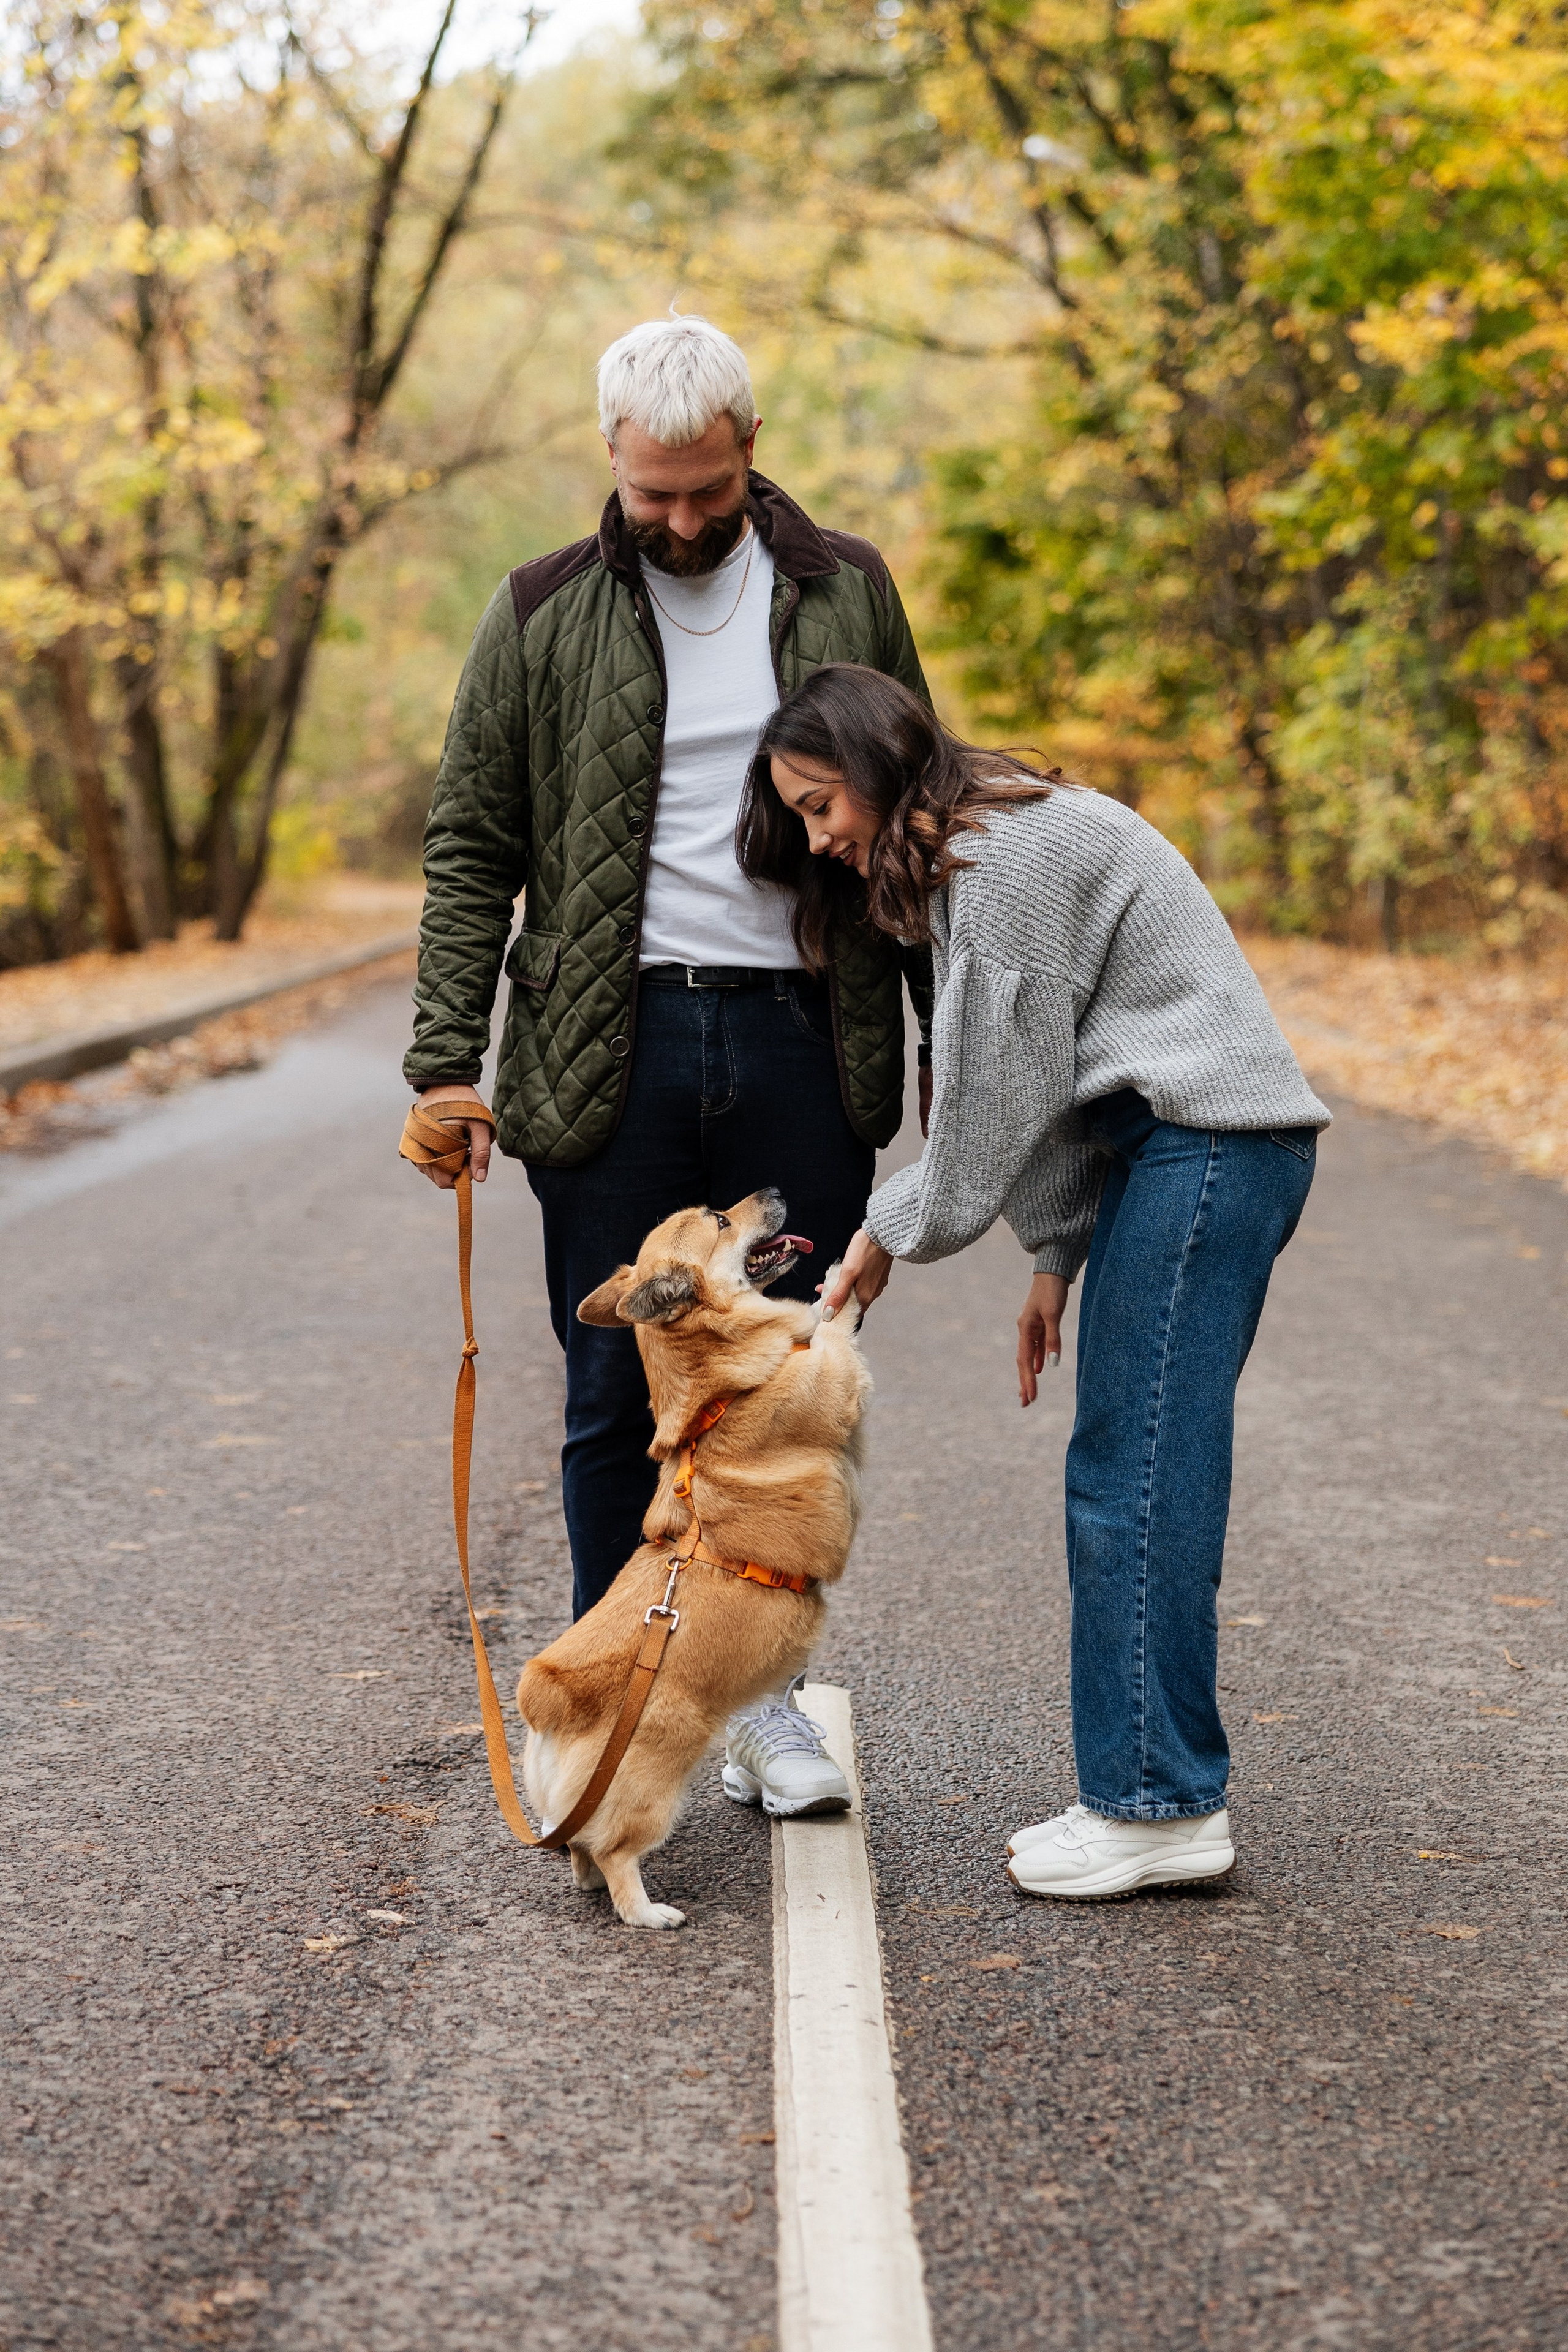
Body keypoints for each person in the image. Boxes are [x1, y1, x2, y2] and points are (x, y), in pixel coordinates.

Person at [403, 317, 933, 1819]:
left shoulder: (846, 588)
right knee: (606, 1395)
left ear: (749, 448)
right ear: (610, 460)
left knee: (786, 1393)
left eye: (709, 490)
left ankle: (756, 1705)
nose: (685, 520)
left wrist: (948, 1039)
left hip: (802, 1037)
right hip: (606, 1049)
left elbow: (913, 815)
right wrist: (444, 1063)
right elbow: (471, 843)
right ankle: (622, 1694)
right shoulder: (539, 608)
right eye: (655, 494)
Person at [737, 663, 1330, 1899]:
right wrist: (1056, 1255)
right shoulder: (987, 844)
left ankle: (1158, 1807)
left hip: (1207, 1150)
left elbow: (990, 1106)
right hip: (1183, 1153)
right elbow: (1055, 1083)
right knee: (1131, 1467)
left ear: (874, 761)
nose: (820, 838)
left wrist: (885, 1229)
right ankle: (1153, 1793)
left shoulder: (1001, 860)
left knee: (1137, 1476)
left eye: (818, 805)